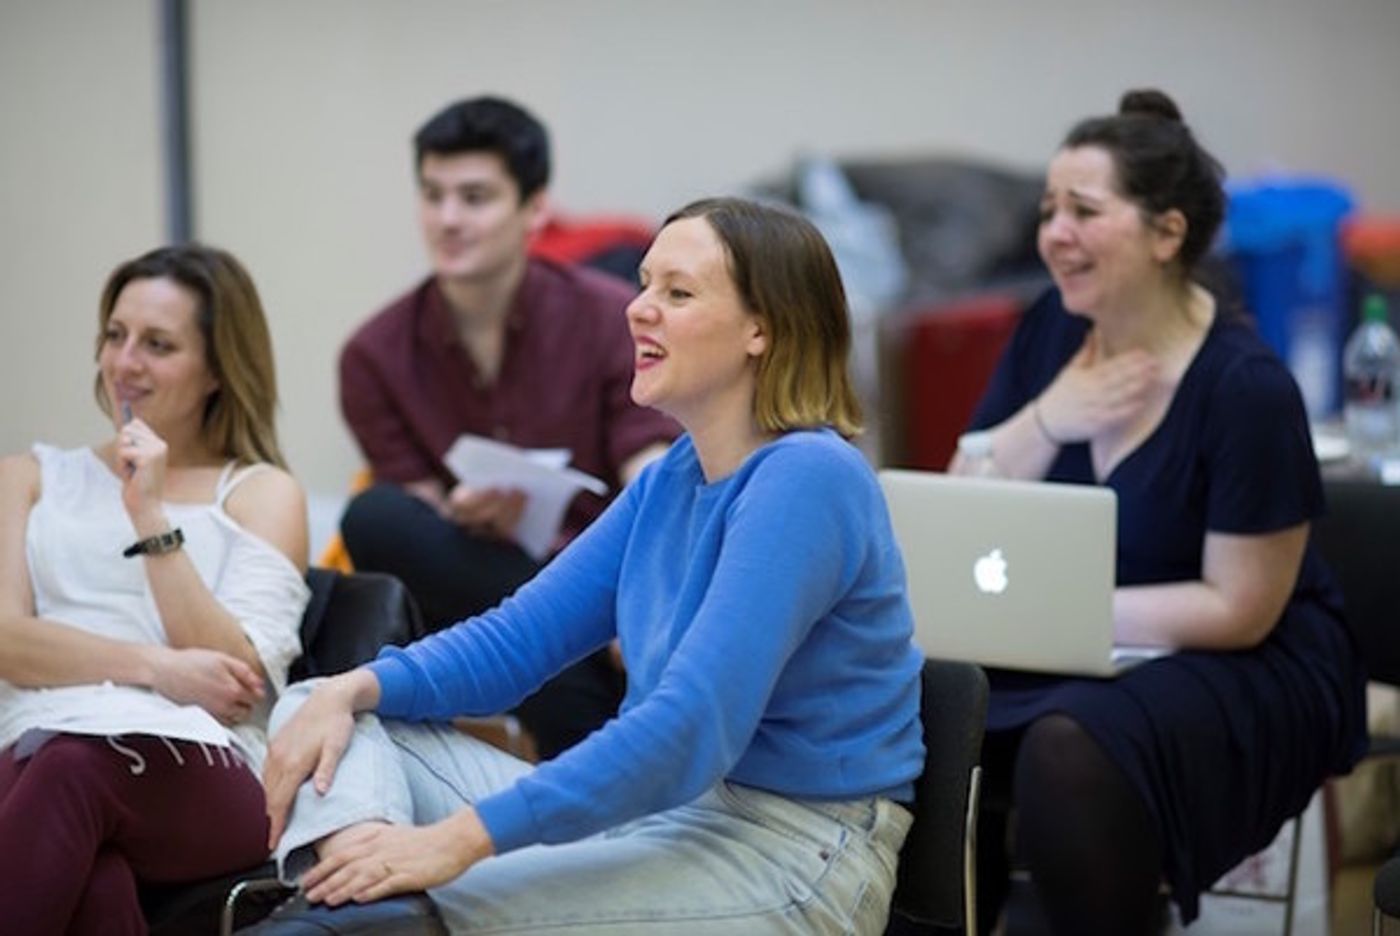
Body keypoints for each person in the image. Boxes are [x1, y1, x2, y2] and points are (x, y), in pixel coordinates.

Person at [255, 197, 924, 935]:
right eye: (644, 284)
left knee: (433, 896)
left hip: (789, 853)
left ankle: (374, 912)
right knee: (324, 711)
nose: (639, 310)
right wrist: (355, 686)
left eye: (678, 292)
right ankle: (371, 899)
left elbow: (690, 726)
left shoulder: (809, 477)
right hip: (659, 817)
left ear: (761, 329)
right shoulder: (676, 474)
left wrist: (455, 843)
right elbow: (517, 639)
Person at [950, 89, 1366, 934]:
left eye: (1083, 211)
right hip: (1082, 640)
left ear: (1167, 232)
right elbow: (963, 496)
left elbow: (1242, 608)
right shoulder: (1051, 332)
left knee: (1072, 744)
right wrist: (1052, 416)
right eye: (1048, 210)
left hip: (1245, 655)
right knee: (919, 698)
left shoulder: (1244, 387)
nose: (1053, 233)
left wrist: (1062, 615)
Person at [337, 96, 677, 759]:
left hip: (610, 573)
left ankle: (596, 749)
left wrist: (641, 587)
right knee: (376, 517)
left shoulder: (613, 318)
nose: (448, 219)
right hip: (480, 583)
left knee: (661, 524)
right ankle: (601, 755)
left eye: (475, 197)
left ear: (534, 208)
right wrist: (460, 511)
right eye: (433, 196)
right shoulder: (373, 356)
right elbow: (421, 520)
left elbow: (655, 468)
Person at [0, 244, 311, 935]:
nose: (124, 362)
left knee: (71, 771)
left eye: (158, 344)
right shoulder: (27, 477)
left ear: (216, 370)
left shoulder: (261, 493)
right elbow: (6, 640)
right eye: (116, 335)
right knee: (96, 881)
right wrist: (157, 667)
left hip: (204, 766)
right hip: (32, 740)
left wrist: (150, 515)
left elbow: (237, 681)